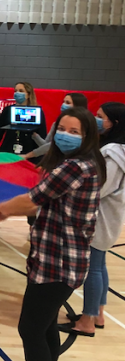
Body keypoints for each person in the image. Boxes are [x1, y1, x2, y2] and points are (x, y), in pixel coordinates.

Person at [0, 107, 103, 361]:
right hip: (55, 260)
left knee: (31, 329)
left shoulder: (75, 167)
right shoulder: (79, 164)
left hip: (58, 263)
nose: (65, 135)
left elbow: (33, 199)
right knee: (46, 325)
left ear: (88, 137)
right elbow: (41, 203)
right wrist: (5, 212)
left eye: (75, 132)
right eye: (62, 128)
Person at [58, 102, 125, 337]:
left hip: (103, 217)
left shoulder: (115, 153)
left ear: (114, 123)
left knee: (94, 267)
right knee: (100, 265)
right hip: (108, 216)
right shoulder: (114, 148)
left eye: (100, 117)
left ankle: (87, 321)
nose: (97, 120)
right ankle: (97, 313)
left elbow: (103, 187)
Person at [0, 82, 48, 237]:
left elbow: (43, 141)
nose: (17, 93)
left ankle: (33, 228)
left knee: (31, 193)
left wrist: (34, 136)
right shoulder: (8, 111)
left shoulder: (38, 113)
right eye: (15, 91)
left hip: (29, 158)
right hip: (8, 155)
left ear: (29, 94)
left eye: (21, 91)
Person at [26, 93, 88, 159]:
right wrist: (35, 135)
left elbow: (52, 145)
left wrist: (29, 155)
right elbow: (47, 145)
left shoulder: (86, 125)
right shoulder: (55, 124)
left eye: (68, 102)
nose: (63, 105)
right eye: (61, 129)